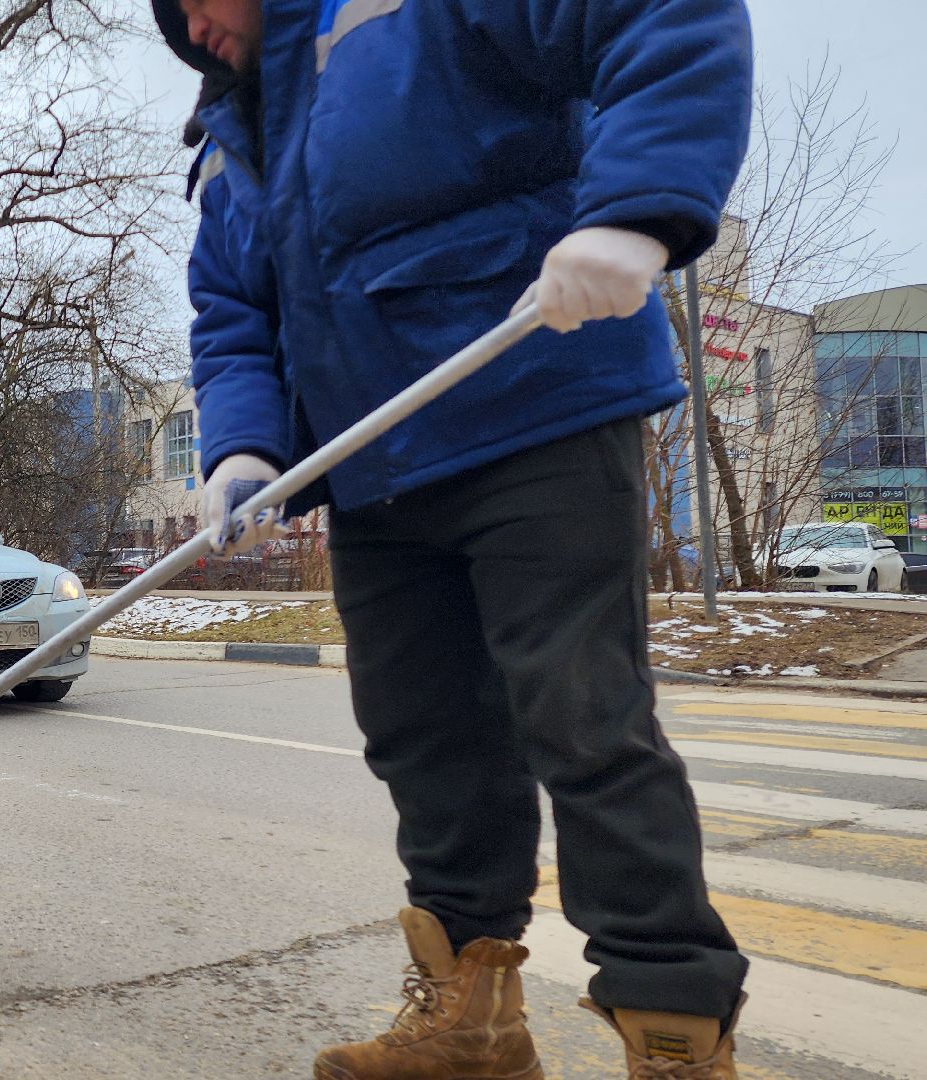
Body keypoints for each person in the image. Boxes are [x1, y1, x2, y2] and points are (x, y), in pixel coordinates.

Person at [154, 0, 753, 1076]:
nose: (189, 23)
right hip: (373, 465)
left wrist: (637, 208)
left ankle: (674, 1032)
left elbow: (659, 15)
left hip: (530, 403)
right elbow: (232, 310)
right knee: (424, 743)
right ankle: (468, 1020)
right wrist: (239, 447)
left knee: (581, 717)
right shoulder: (229, 144)